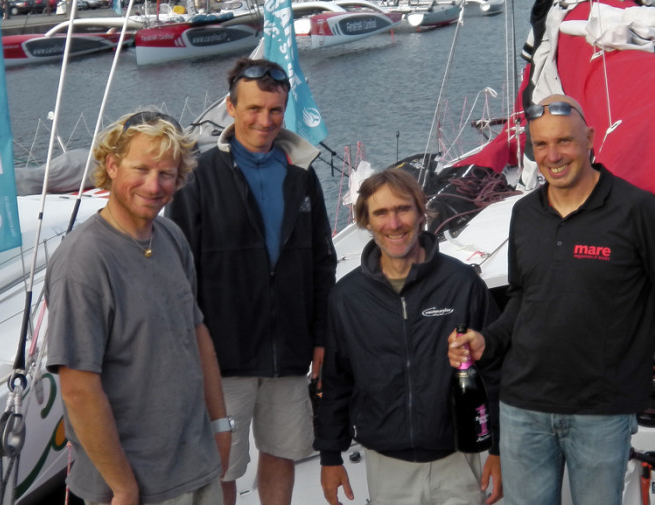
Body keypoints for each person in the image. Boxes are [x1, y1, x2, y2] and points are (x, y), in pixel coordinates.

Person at [448, 94, 655, 505]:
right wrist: (486, 340)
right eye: (541, 145)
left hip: (601, 411)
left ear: (590, 139)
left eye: (564, 142)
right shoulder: (524, 213)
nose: (553, 155)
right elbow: (523, 298)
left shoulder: (638, 210)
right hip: (523, 408)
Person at [166, 58, 337, 505]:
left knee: (282, 452)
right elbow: (177, 274)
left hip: (289, 352)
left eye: (275, 110)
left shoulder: (303, 173)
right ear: (231, 107)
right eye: (254, 109)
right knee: (222, 464)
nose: (265, 120)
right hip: (223, 358)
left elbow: (323, 261)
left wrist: (320, 337)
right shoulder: (197, 178)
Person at [46, 111, 230, 505]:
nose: (154, 185)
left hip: (196, 466)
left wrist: (220, 424)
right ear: (111, 166)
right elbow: (78, 388)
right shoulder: (83, 259)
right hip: (133, 486)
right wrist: (123, 486)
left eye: (167, 173)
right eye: (141, 169)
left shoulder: (170, 235)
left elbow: (197, 335)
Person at [315, 168, 503, 505]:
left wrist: (499, 449)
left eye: (402, 209)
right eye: (381, 213)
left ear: (420, 213)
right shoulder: (346, 297)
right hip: (387, 466)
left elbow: (497, 369)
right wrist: (331, 456)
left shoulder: (462, 283)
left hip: (459, 460)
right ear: (365, 221)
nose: (393, 223)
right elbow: (335, 382)